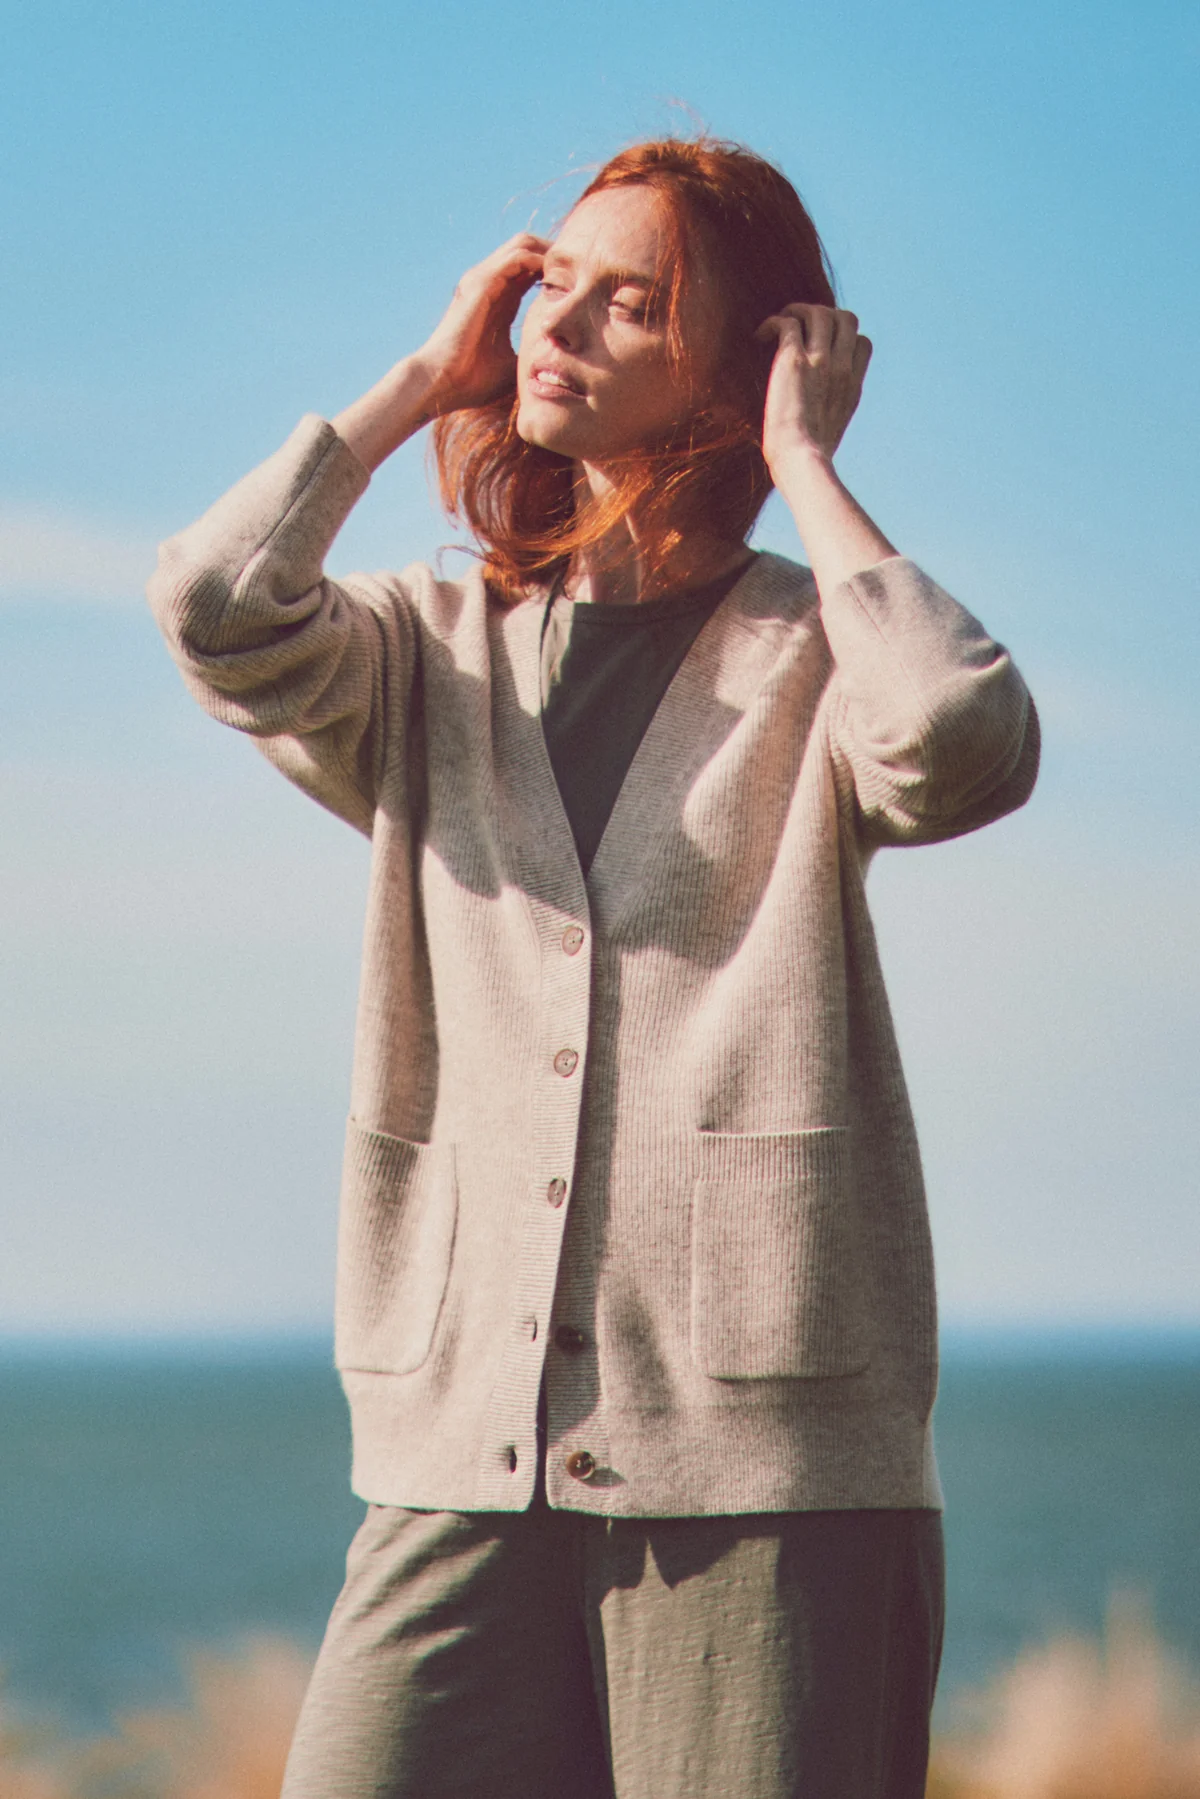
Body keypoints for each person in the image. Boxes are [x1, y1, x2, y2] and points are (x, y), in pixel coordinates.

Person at [147, 136, 1038, 1799]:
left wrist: (808, 463)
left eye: (634, 306)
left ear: (738, 369)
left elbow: (962, 735)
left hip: (766, 1461)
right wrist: (425, 374)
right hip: (457, 1453)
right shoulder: (422, 648)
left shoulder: (812, 650)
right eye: (556, 280)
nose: (564, 325)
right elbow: (213, 604)